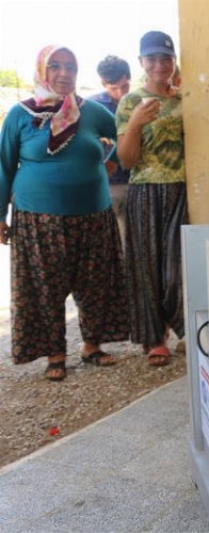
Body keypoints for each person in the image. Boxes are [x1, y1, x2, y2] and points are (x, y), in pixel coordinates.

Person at [0, 45, 129, 381]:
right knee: (45, 287)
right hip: (38, 218)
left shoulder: (93, 111)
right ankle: (55, 353)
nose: (63, 73)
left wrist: (111, 157)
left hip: (94, 214)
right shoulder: (20, 115)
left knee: (95, 283)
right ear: (43, 70)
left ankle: (92, 345)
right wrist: (0, 215)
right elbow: (4, 166)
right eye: (55, 66)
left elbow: (122, 137)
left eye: (70, 67)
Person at [116, 30, 186, 367]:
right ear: (141, 61)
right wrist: (135, 124)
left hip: (180, 189)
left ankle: (181, 324)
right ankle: (154, 337)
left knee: (177, 267)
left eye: (166, 57)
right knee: (146, 267)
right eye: (153, 58)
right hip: (145, 191)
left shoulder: (185, 99)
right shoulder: (130, 102)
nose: (160, 64)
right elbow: (126, 161)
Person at [88, 54, 131, 241]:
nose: (121, 94)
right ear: (103, 83)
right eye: (114, 88)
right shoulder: (92, 107)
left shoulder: (137, 102)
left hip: (134, 182)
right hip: (106, 186)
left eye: (125, 86)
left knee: (130, 241)